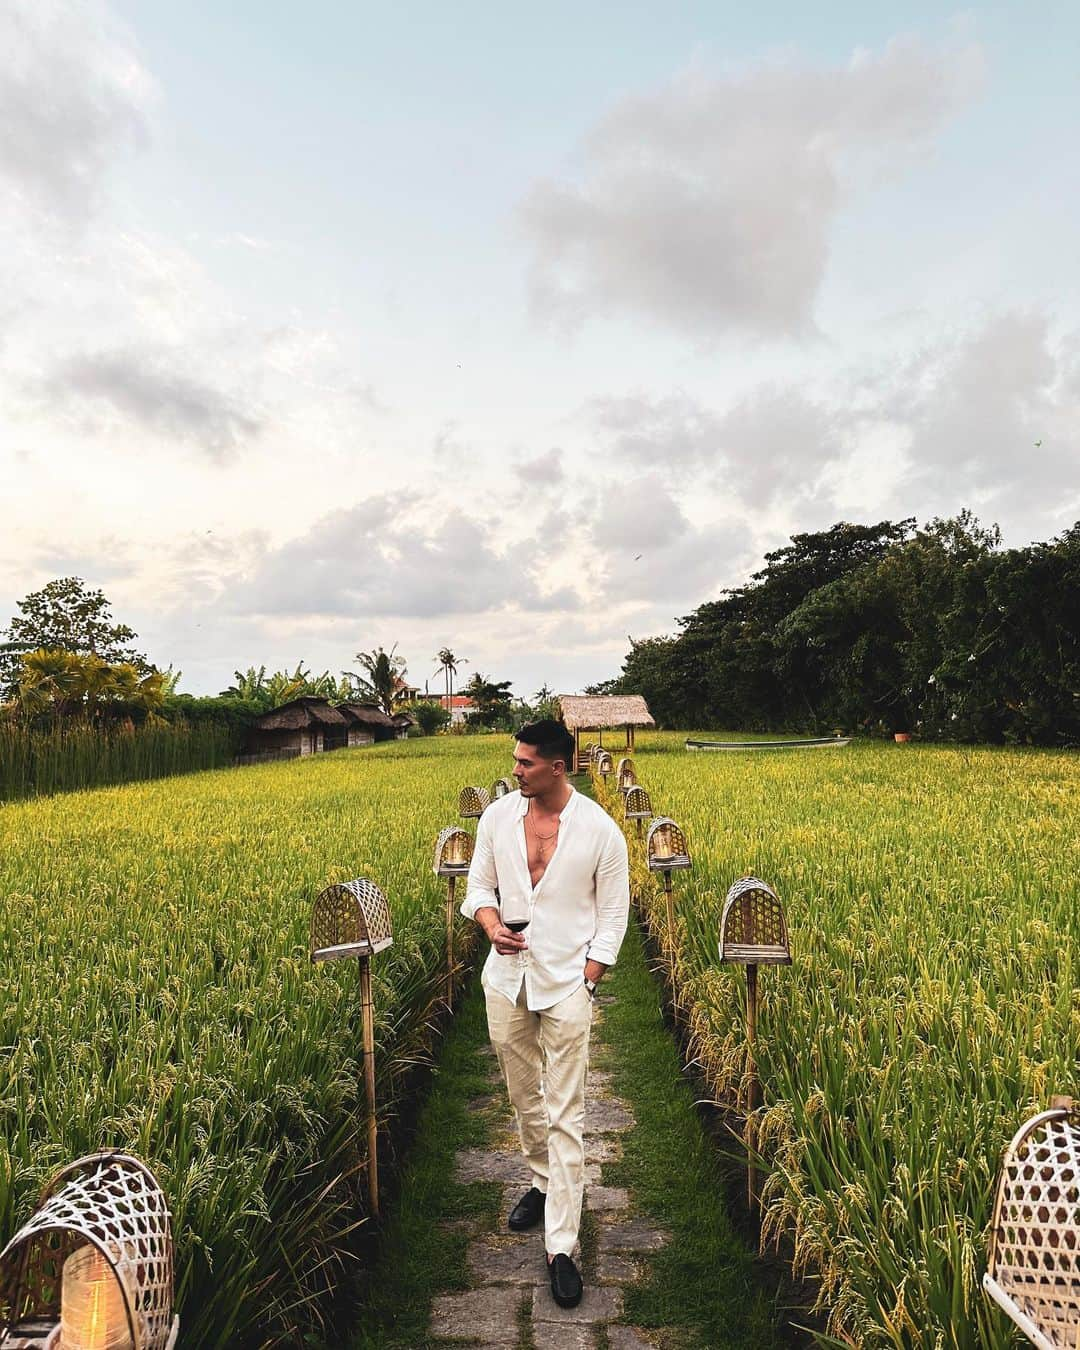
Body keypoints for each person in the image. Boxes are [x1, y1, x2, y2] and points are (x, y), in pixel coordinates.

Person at [461, 719, 630, 1309]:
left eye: (525, 762)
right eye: (515, 759)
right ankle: (540, 1179)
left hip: (566, 986)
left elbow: (613, 916)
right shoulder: (496, 819)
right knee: (520, 1095)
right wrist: (491, 927)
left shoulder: (602, 833)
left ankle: (562, 1245)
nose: (516, 768)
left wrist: (588, 979)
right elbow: (477, 888)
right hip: (505, 981)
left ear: (558, 767)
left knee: (566, 1110)